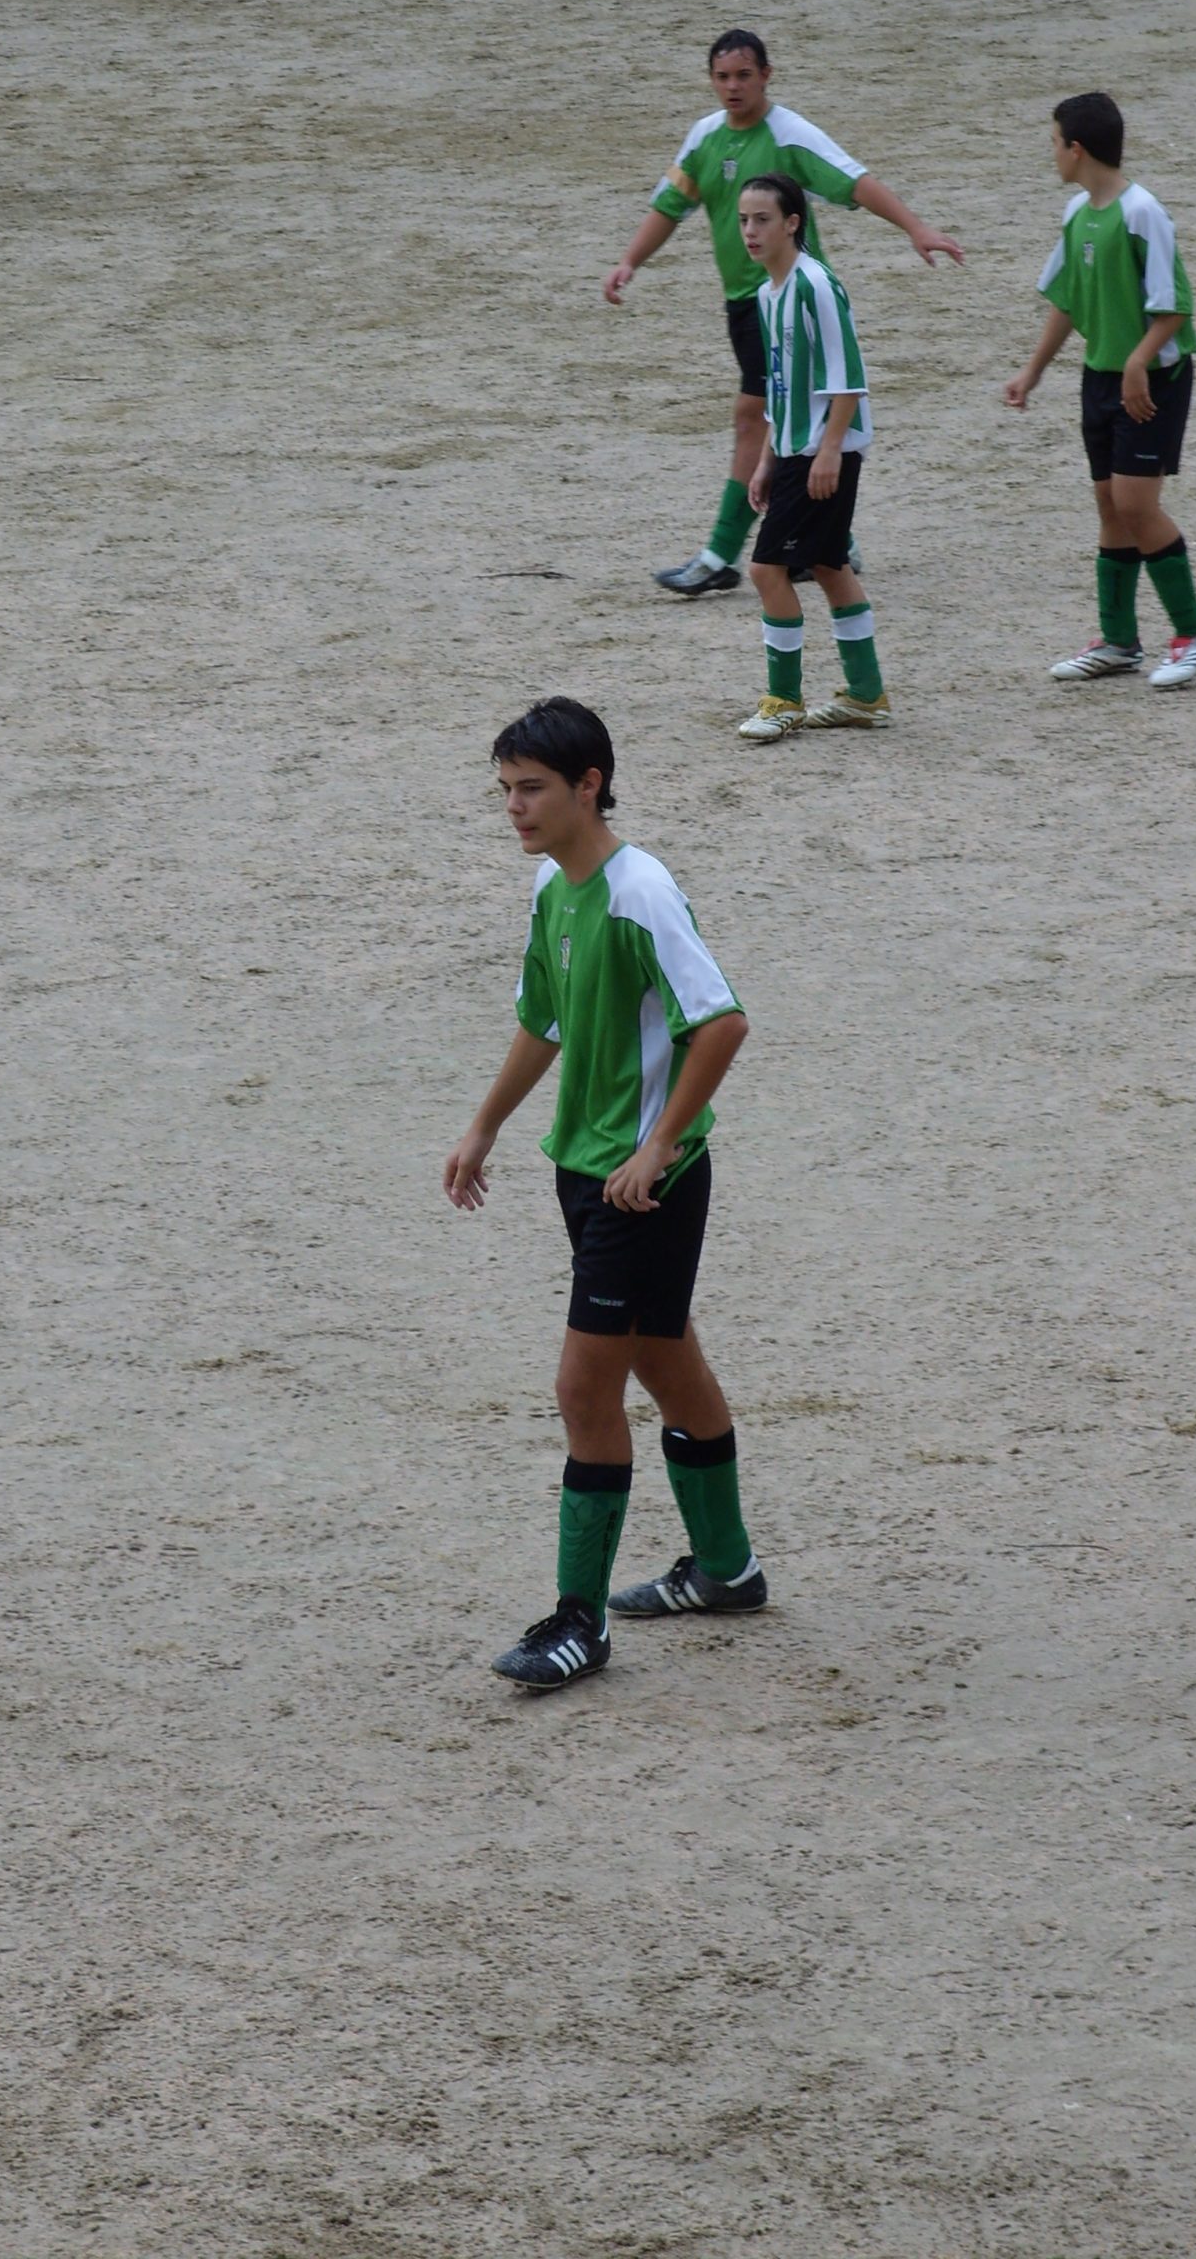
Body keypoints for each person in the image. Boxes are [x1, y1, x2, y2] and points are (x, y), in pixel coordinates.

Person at [443, 698, 765, 1695]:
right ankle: (727, 1569)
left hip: (642, 1188)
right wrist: (486, 1125)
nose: (514, 808)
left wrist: (658, 1146)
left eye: (531, 788)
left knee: (585, 1391)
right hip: (585, 1172)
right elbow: (545, 1017)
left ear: (590, 786)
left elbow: (721, 1022)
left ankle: (577, 1622)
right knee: (664, 1360)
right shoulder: (555, 884)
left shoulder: (642, 894)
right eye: (505, 789)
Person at [603, 26, 962, 598]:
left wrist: (915, 228)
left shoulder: (790, 135)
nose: (733, 87)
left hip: (791, 301)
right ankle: (833, 541)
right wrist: (630, 261)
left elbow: (854, 181)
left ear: (766, 76)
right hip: (745, 304)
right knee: (794, 418)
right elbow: (670, 206)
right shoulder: (704, 138)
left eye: (744, 75)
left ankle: (720, 555)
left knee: (756, 416)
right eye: (722, 77)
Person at [1003, 92, 1196, 688]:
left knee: (1136, 506)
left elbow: (1175, 306)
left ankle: (1195, 634)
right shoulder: (1078, 213)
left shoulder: (1143, 213)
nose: (1051, 154)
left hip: (1151, 380)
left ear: (1077, 149)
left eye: (1053, 143)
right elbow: (1068, 300)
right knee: (1109, 504)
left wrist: (1138, 362)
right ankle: (1119, 641)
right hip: (1101, 376)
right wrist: (1033, 371)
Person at [734, 173, 892, 739]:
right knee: (829, 565)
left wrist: (828, 453)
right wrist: (767, 460)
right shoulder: (767, 294)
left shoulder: (816, 286)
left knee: (765, 569)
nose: (750, 231)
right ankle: (866, 694)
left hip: (823, 455)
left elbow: (848, 378)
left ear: (792, 223)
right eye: (744, 220)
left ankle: (784, 700)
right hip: (797, 452)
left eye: (763, 219)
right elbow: (782, 389)